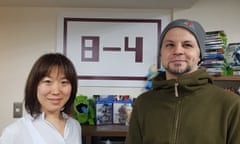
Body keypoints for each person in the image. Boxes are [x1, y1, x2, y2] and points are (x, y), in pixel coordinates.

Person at [125, 19, 240, 144]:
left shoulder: (230, 105)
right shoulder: (143, 104)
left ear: (200, 55)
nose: (177, 51)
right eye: (170, 45)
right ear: (161, 53)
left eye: (187, 45)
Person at [0, 53, 82, 144]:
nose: (56, 91)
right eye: (48, 81)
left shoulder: (75, 126)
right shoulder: (14, 132)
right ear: (34, 85)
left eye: (64, 82)